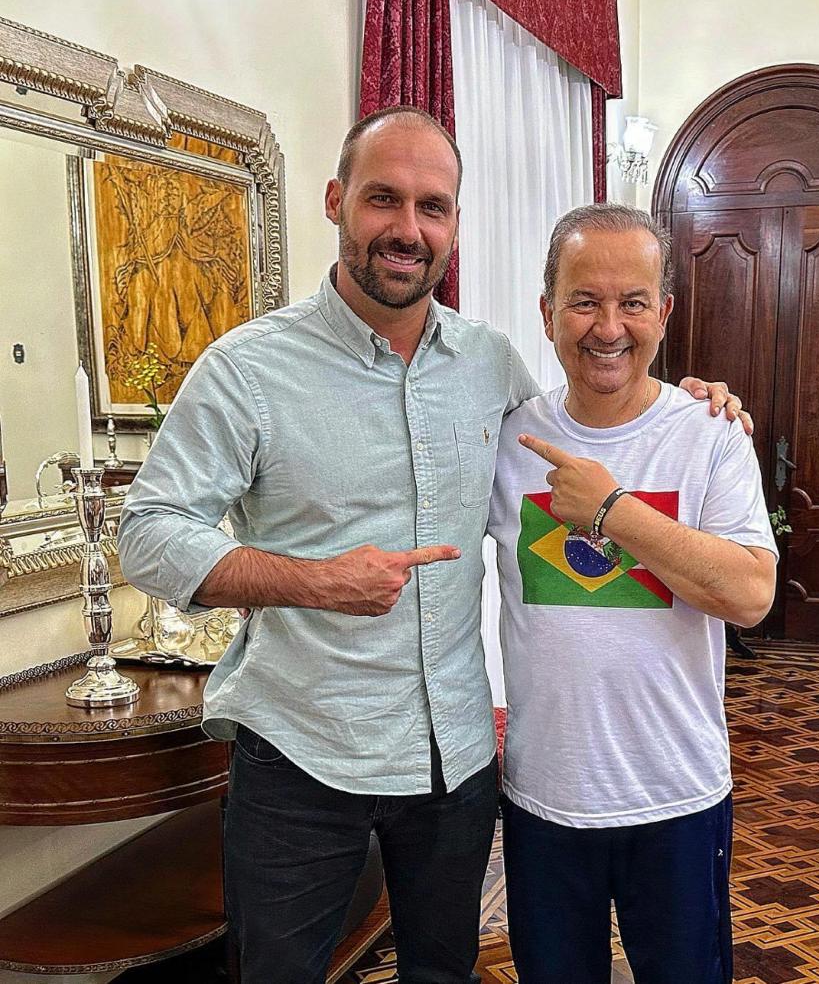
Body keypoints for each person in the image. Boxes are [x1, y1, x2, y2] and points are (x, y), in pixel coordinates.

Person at [117, 106, 748, 984]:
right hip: (303, 755)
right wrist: (314, 582)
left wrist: (693, 402)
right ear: (336, 201)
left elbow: (596, 406)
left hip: (454, 764)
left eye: (433, 206)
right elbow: (147, 534)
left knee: (444, 974)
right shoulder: (247, 369)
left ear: (454, 224)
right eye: (384, 198)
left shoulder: (491, 367)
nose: (407, 228)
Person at [487, 203, 778, 984]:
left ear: (664, 312)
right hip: (546, 797)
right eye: (584, 301)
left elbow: (751, 596)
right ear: (547, 313)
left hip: (676, 795)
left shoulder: (709, 434)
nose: (608, 327)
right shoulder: (507, 439)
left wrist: (613, 510)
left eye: (633, 302)